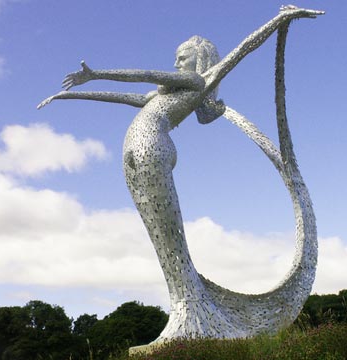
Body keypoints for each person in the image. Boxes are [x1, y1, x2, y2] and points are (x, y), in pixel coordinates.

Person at [38, 5, 323, 341]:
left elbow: (238, 51)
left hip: (151, 149)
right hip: (138, 154)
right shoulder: (165, 96)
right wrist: (74, 94)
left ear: (198, 60)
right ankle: (190, 313)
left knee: (171, 242)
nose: (176, 64)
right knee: (165, 243)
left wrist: (279, 19)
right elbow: (129, 95)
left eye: (182, 57)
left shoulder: (194, 80)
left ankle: (192, 319)